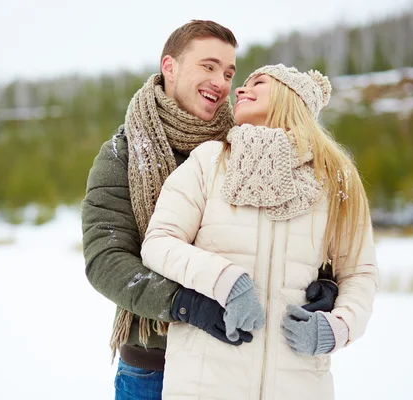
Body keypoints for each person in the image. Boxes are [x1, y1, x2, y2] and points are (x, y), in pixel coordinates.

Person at [81, 20, 337, 400]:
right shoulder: (125, 153)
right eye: (209, 66)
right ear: (170, 67)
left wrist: (326, 281)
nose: (221, 81)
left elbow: (289, 225)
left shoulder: (247, 145)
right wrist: (186, 305)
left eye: (229, 72)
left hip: (234, 366)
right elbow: (105, 259)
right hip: (152, 364)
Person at [140, 64, 379, 399]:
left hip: (299, 385)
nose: (239, 89)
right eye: (244, 83)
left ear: (291, 96)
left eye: (259, 82)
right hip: (203, 384)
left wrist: (337, 327)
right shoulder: (209, 161)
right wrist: (227, 282)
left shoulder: (334, 178)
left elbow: (359, 273)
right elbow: (159, 243)